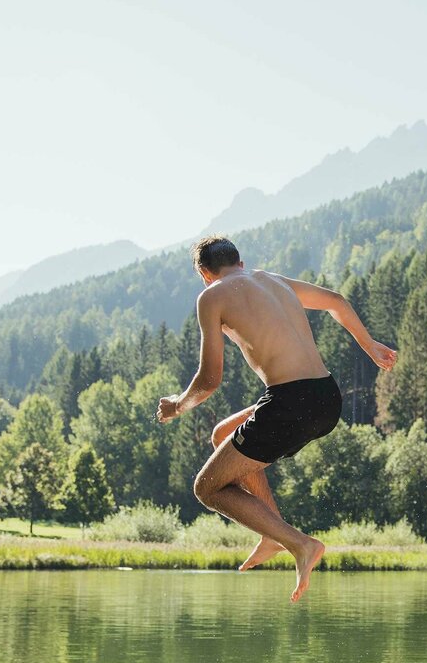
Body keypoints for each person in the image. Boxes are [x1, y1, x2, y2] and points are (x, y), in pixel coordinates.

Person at [156, 236, 396, 602]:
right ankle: (271, 533)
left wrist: (177, 405)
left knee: (207, 488)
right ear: (240, 262)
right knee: (223, 434)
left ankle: (300, 545)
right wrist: (370, 346)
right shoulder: (272, 280)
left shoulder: (211, 296)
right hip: (326, 396)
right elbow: (336, 301)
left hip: (290, 403)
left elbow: (209, 380)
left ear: (204, 273)